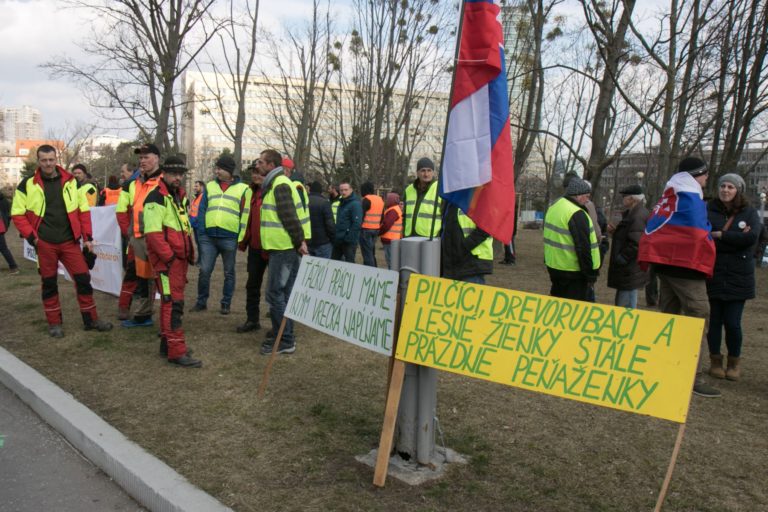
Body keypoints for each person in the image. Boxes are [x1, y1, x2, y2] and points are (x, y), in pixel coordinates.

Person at [638, 156, 720, 398]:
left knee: (670, 320)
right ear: (695, 175)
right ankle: (692, 377)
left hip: (666, 266)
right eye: (704, 174)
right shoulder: (690, 198)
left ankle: (664, 367)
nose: (707, 178)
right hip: (686, 268)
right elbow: (695, 233)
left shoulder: (671, 196)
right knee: (698, 318)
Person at [11, 144, 112, 337]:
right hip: (45, 243)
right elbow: (17, 213)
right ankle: (54, 323)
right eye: (44, 160)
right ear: (38, 161)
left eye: (51, 160)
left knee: (83, 278)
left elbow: (83, 210)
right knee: (49, 283)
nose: (48, 164)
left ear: (56, 159)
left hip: (69, 242)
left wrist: (87, 237)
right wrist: (33, 238)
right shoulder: (27, 184)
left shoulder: (71, 181)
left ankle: (91, 319)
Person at [142, 156, 203, 368]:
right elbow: (153, 234)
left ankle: (167, 345)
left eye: (180, 174)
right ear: (164, 174)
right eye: (173, 174)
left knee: (172, 302)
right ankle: (176, 351)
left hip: (178, 261)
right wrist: (169, 259)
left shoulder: (177, 196)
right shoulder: (155, 198)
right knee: (173, 304)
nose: (177, 178)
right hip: (168, 263)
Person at [705, 173, 761, 381]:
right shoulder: (708, 210)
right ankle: (715, 361)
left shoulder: (749, 212)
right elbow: (704, 236)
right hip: (714, 273)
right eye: (723, 186)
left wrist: (721, 235)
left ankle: (734, 362)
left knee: (733, 323)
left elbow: (752, 238)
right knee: (715, 321)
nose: (726, 190)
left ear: (738, 190)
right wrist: (737, 238)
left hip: (739, 276)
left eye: (730, 187)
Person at [257, 149, 308, 355]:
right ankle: (285, 335)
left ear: (271, 165)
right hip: (283, 247)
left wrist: (299, 242)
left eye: (261, 162)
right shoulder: (275, 184)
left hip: (283, 248)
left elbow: (289, 217)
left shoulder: (279, 185)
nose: (257, 165)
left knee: (275, 294)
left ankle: (285, 339)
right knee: (285, 293)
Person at [191, 155, 252, 315]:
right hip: (209, 238)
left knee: (229, 272)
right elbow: (202, 209)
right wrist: (203, 232)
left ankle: (226, 303)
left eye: (219, 168)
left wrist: (240, 235)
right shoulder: (210, 186)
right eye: (216, 168)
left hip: (229, 237)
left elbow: (244, 214)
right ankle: (201, 301)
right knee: (204, 270)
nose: (216, 171)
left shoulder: (243, 189)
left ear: (228, 171)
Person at [116, 143, 163, 326]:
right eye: (140, 158)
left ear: (157, 158)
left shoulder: (164, 181)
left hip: (157, 239)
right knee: (140, 277)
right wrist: (129, 233)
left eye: (146, 157)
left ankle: (169, 320)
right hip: (136, 238)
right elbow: (121, 211)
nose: (142, 161)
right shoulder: (131, 184)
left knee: (161, 278)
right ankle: (142, 314)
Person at [542, 177, 600, 301]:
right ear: (578, 195)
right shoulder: (576, 213)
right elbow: (583, 247)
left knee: (558, 305)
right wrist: (590, 275)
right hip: (573, 272)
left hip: (555, 266)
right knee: (574, 312)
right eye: (587, 196)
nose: (587, 200)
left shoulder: (554, 207)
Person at [236, 161, 268, 333]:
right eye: (253, 173)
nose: (256, 176)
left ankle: (280, 326)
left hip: (273, 247)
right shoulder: (248, 192)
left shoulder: (273, 191)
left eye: (259, 173)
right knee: (252, 285)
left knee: (276, 288)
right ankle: (252, 320)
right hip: (255, 247)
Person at [606, 184, 649, 308]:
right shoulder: (633, 213)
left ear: (632, 199)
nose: (623, 199)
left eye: (624, 196)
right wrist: (616, 232)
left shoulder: (638, 216)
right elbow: (631, 236)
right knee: (624, 300)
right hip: (629, 267)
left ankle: (625, 327)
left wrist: (622, 258)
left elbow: (637, 242)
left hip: (630, 267)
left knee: (625, 305)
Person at [442, 203, 493, 284]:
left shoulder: (480, 195)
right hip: (451, 263)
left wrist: (464, 246)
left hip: (472, 261)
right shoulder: (451, 199)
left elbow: (488, 226)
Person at [403, 157, 441, 238]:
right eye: (423, 170)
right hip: (409, 237)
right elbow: (404, 215)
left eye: (429, 170)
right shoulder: (408, 190)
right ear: (417, 172)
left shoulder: (440, 189)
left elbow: (446, 218)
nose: (426, 174)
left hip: (431, 239)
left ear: (433, 172)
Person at [332, 181, 362, 262]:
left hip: (348, 242)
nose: (343, 192)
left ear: (351, 190)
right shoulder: (341, 203)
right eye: (341, 190)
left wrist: (348, 238)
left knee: (349, 264)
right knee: (333, 262)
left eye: (346, 190)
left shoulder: (355, 204)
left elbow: (357, 223)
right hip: (338, 239)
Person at [307, 181, 335, 258]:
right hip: (323, 242)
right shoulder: (325, 203)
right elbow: (330, 224)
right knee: (323, 268)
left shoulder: (304, 201)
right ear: (321, 191)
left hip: (308, 241)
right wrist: (333, 239)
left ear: (310, 190)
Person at [359, 182, 383, 267]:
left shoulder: (366, 200)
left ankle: (370, 271)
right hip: (376, 229)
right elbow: (382, 216)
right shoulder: (380, 199)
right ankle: (374, 268)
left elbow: (361, 215)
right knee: (372, 252)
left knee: (367, 254)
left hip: (366, 229)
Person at [379, 192, 402, 269]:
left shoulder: (393, 211)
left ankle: (394, 278)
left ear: (391, 200)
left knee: (391, 262)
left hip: (390, 240)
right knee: (392, 261)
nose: (385, 201)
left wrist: (378, 232)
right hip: (392, 240)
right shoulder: (394, 209)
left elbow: (386, 225)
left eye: (386, 199)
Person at [0, 190, 20, 274]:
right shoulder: (5, 201)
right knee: (3, 248)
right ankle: (13, 266)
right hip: (1, 227)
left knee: (3, 248)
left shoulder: (4, 201)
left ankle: (14, 267)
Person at [188, 180, 205, 264]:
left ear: (202, 187)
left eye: (196, 186)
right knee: (198, 244)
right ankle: (200, 260)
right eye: (194, 186)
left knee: (201, 244)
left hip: (199, 225)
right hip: (195, 224)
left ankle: (201, 261)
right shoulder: (196, 197)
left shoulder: (203, 197)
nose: (194, 188)